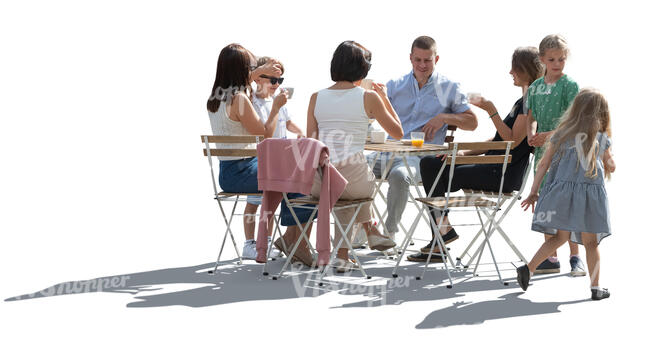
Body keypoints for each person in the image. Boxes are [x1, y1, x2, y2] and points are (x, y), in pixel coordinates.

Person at [413, 47, 542, 262]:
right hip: (493, 167)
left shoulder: (530, 103)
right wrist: (461, 152)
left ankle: (441, 235)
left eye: (514, 68)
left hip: (501, 174)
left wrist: (490, 109)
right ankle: (442, 231)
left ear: (525, 70)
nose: (510, 72)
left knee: (431, 169)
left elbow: (511, 140)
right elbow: (497, 141)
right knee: (431, 164)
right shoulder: (522, 101)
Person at [206, 43, 314, 263]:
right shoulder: (240, 99)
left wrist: (257, 75)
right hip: (243, 171)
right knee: (302, 178)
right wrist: (275, 108)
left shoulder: (216, 98)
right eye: (251, 67)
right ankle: (292, 238)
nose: (252, 72)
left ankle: (285, 239)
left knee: (293, 176)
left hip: (232, 172)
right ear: (241, 69)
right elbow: (265, 134)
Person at [367, 35, 477, 245]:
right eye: (418, 60)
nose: (422, 65)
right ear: (410, 58)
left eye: (427, 60)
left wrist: (444, 117)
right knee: (353, 169)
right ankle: (365, 228)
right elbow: (370, 114)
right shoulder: (394, 85)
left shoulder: (449, 87)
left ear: (437, 59)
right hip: (387, 152)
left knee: (400, 176)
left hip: (421, 158)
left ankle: (389, 235)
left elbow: (472, 123)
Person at [304, 41, 403, 272]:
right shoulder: (368, 97)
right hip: (354, 181)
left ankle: (363, 237)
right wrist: (384, 98)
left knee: (338, 178)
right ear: (362, 69)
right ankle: (352, 245)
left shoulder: (315, 97)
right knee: (353, 182)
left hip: (319, 181)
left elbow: (312, 141)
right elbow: (398, 132)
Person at [516, 88, 615, 301]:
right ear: (602, 114)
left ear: (575, 111)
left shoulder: (561, 135)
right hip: (589, 198)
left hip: (562, 194)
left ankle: (528, 269)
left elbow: (543, 163)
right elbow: (611, 166)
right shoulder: (601, 138)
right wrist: (609, 161)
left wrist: (534, 192)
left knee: (559, 237)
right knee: (591, 243)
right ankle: (596, 288)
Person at [526, 34, 584, 276]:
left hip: (565, 151)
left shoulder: (570, 85)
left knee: (567, 204)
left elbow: (575, 120)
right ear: (542, 60)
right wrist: (531, 134)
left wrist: (548, 134)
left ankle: (575, 256)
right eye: (552, 59)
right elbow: (531, 116)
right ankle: (550, 257)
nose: (557, 63)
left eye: (561, 59)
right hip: (542, 152)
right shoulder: (534, 87)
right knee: (546, 201)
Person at [244, 56, 305, 259]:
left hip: (280, 159)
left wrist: (302, 134)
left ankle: (268, 239)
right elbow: (263, 133)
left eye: (280, 80)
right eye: (272, 80)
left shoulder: (277, 100)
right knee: (254, 203)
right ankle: (249, 243)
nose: (276, 85)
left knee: (272, 202)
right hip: (260, 160)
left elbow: (288, 123)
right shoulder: (251, 101)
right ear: (258, 79)